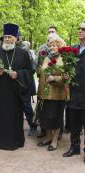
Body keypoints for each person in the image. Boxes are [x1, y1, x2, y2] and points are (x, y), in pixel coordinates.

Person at [0, 23, 31, 150]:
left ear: (16, 38)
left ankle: (13, 141)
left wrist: (19, 74)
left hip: (14, 93)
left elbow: (29, 72)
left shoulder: (23, 53)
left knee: (13, 117)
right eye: (5, 37)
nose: (7, 39)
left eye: (10, 37)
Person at [37, 34, 66, 151]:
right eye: (51, 45)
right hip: (45, 93)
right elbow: (42, 75)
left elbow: (66, 77)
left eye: (55, 45)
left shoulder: (64, 58)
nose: (52, 47)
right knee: (45, 117)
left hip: (57, 94)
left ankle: (54, 140)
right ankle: (49, 137)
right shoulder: (47, 58)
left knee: (56, 117)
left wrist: (55, 78)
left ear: (59, 46)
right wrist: (39, 92)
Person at [63, 21, 85, 162]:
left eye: (83, 29)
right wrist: (66, 75)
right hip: (74, 92)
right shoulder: (73, 49)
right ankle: (74, 147)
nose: (80, 31)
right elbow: (68, 67)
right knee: (74, 121)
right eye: (79, 28)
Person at [17, 38, 37, 136]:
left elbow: (32, 69)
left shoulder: (27, 53)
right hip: (14, 85)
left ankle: (33, 126)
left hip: (25, 84)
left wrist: (19, 73)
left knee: (27, 106)